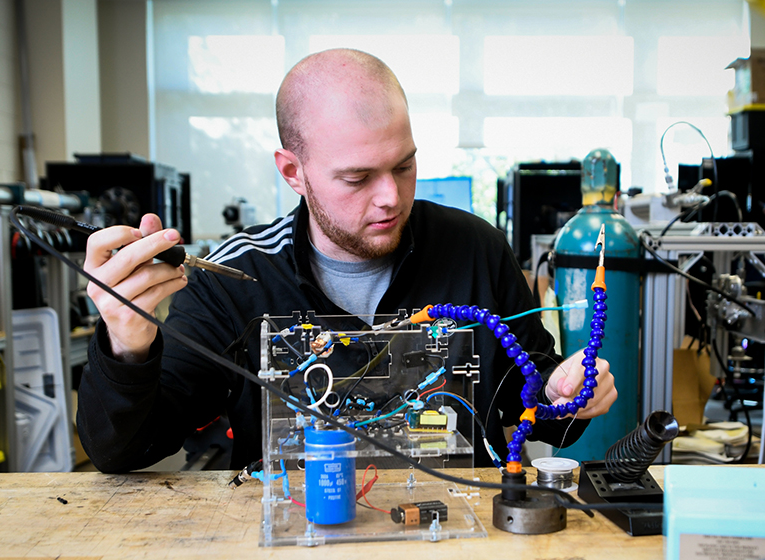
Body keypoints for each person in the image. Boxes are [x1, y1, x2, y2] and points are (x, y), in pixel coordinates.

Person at [76, 49, 617, 473]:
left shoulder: (475, 248)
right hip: (296, 534)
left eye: (404, 166)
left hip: (454, 535)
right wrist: (127, 345)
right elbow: (124, 451)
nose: (390, 197)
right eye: (357, 178)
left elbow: (540, 409)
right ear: (293, 172)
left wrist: (567, 390)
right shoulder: (235, 280)